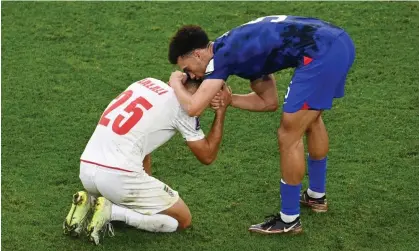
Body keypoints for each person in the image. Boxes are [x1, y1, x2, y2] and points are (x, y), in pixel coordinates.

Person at [168, 15, 355, 234]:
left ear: (198, 54)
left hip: (321, 53)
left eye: (187, 68)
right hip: (338, 42)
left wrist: (175, 83)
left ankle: (289, 219)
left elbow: (193, 107)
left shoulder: (222, 58)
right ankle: (316, 197)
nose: (189, 75)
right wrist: (230, 100)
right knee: (310, 119)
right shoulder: (237, 48)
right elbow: (269, 102)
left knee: (288, 134)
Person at [63, 76, 231, 245]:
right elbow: (207, 156)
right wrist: (221, 112)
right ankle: (112, 212)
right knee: (182, 220)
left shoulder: (146, 83)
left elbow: (144, 146)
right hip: (118, 178)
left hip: (86, 168)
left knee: (136, 179)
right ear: (205, 91)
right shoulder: (183, 109)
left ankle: (89, 203)